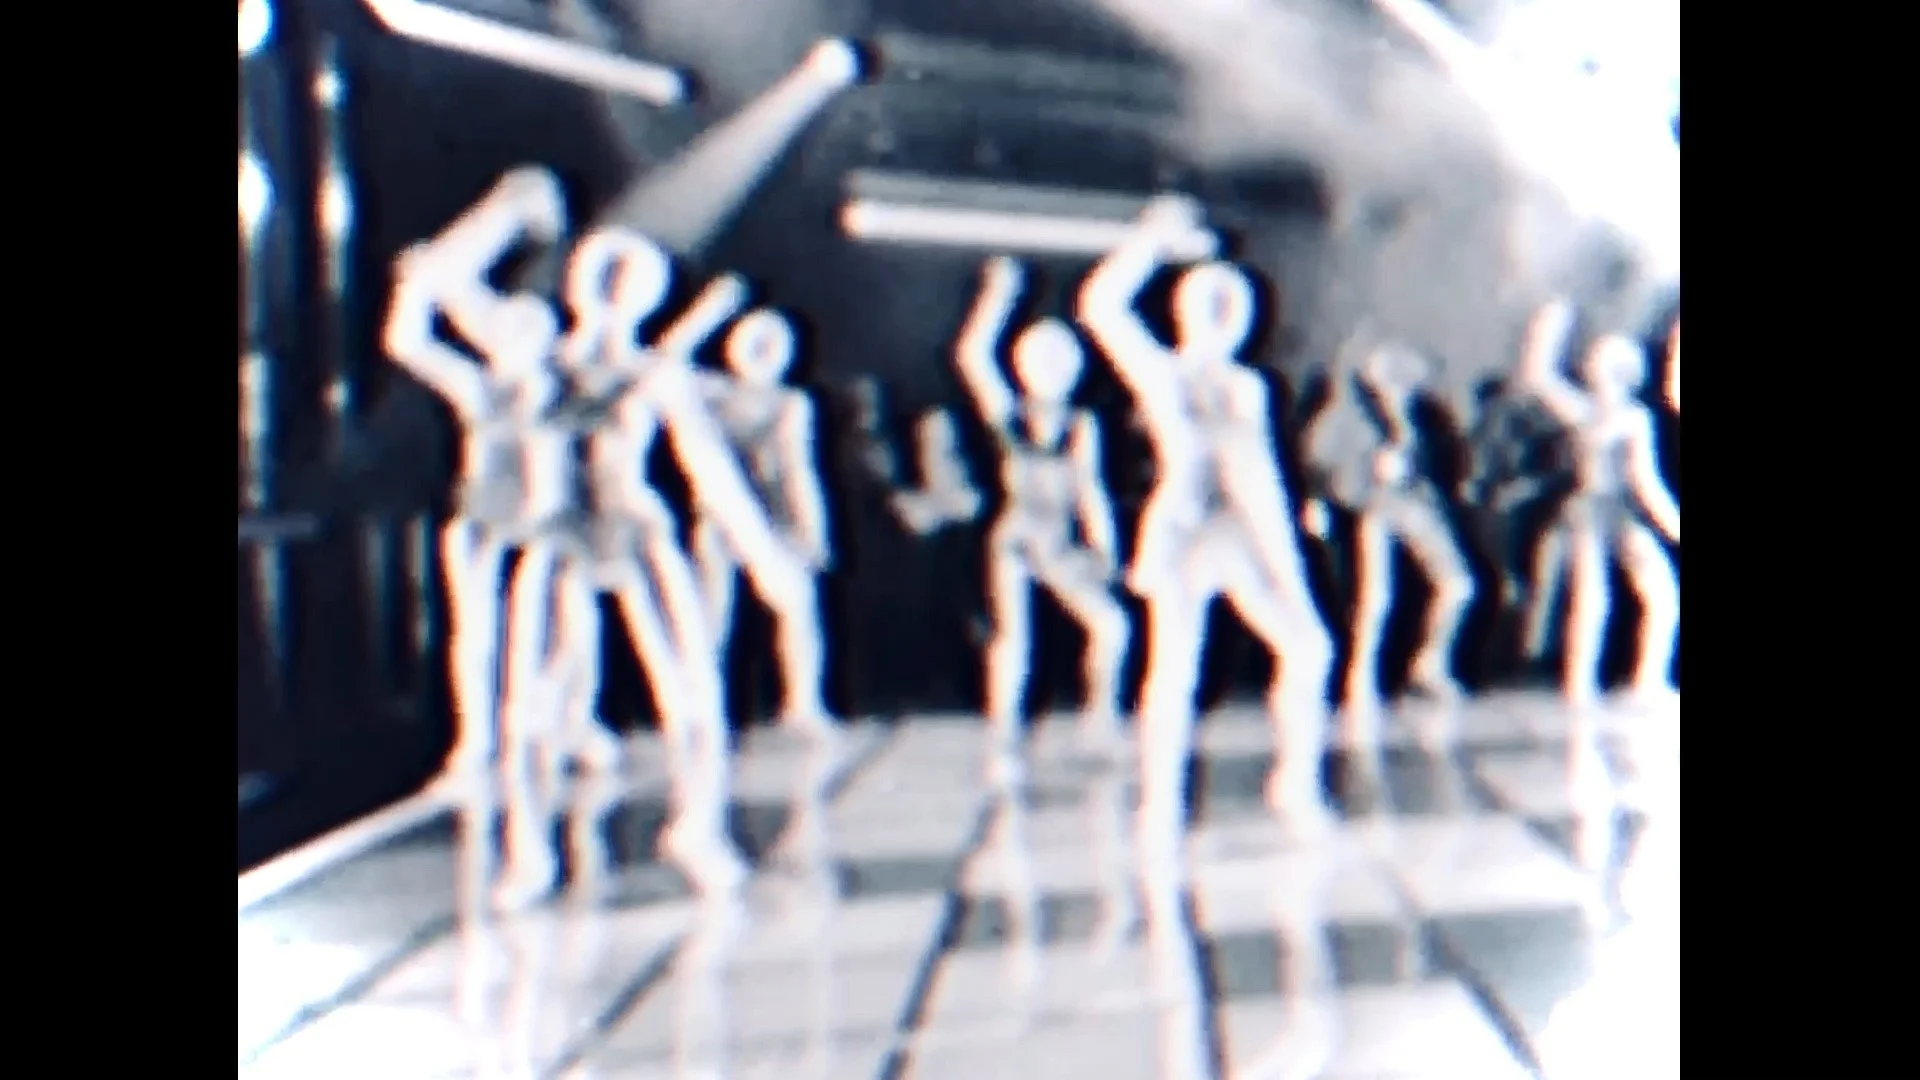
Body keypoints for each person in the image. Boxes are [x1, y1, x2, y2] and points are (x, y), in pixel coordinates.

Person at [1076, 197, 1335, 839]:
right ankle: (1161, 800)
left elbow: (1264, 478)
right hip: (1185, 532)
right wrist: (1149, 244)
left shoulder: (1250, 389)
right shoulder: (1163, 373)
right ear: (1186, 311)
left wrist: (1288, 563)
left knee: (1310, 649)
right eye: (1210, 304)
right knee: (1175, 668)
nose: (1223, 318)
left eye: (1233, 307)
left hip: (1243, 532)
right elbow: (1101, 308)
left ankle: (1296, 787)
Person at [953, 257, 1133, 765]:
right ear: (1023, 365)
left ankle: (1102, 719)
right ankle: (1004, 728)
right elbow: (972, 356)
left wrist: (1107, 548)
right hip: (1017, 537)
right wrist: (998, 299)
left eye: (1061, 361)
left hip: (1060, 541)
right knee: (1015, 638)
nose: (1052, 370)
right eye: (1041, 360)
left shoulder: (1081, 425)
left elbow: (1092, 490)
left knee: (1113, 626)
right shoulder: (1009, 414)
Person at [1302, 340, 1475, 725]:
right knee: (1377, 597)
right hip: (1376, 507)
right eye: (1391, 380)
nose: (1399, 390)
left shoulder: (1424, 416)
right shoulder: (1349, 418)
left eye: (1405, 382)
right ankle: (1361, 676)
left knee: (1459, 584)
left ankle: (1430, 660)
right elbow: (1322, 463)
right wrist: (1331, 493)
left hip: (1414, 505)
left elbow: (1444, 461)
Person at [1516, 302, 1680, 707]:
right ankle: (1580, 684)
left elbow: (1645, 481)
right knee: (1593, 598)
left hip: (1621, 514)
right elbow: (1539, 379)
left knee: (1660, 594)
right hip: (1591, 513)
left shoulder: (1633, 418)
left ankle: (1646, 681)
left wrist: (1672, 524)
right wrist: (1547, 330)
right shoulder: (1584, 411)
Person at [691, 308, 838, 737]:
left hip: (775, 518)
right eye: (755, 345)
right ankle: (703, 705)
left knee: (799, 605)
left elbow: (800, 469)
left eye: (773, 347)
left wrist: (813, 527)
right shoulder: (712, 393)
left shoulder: (792, 404)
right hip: (721, 517)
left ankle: (804, 702)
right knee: (712, 613)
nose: (764, 355)